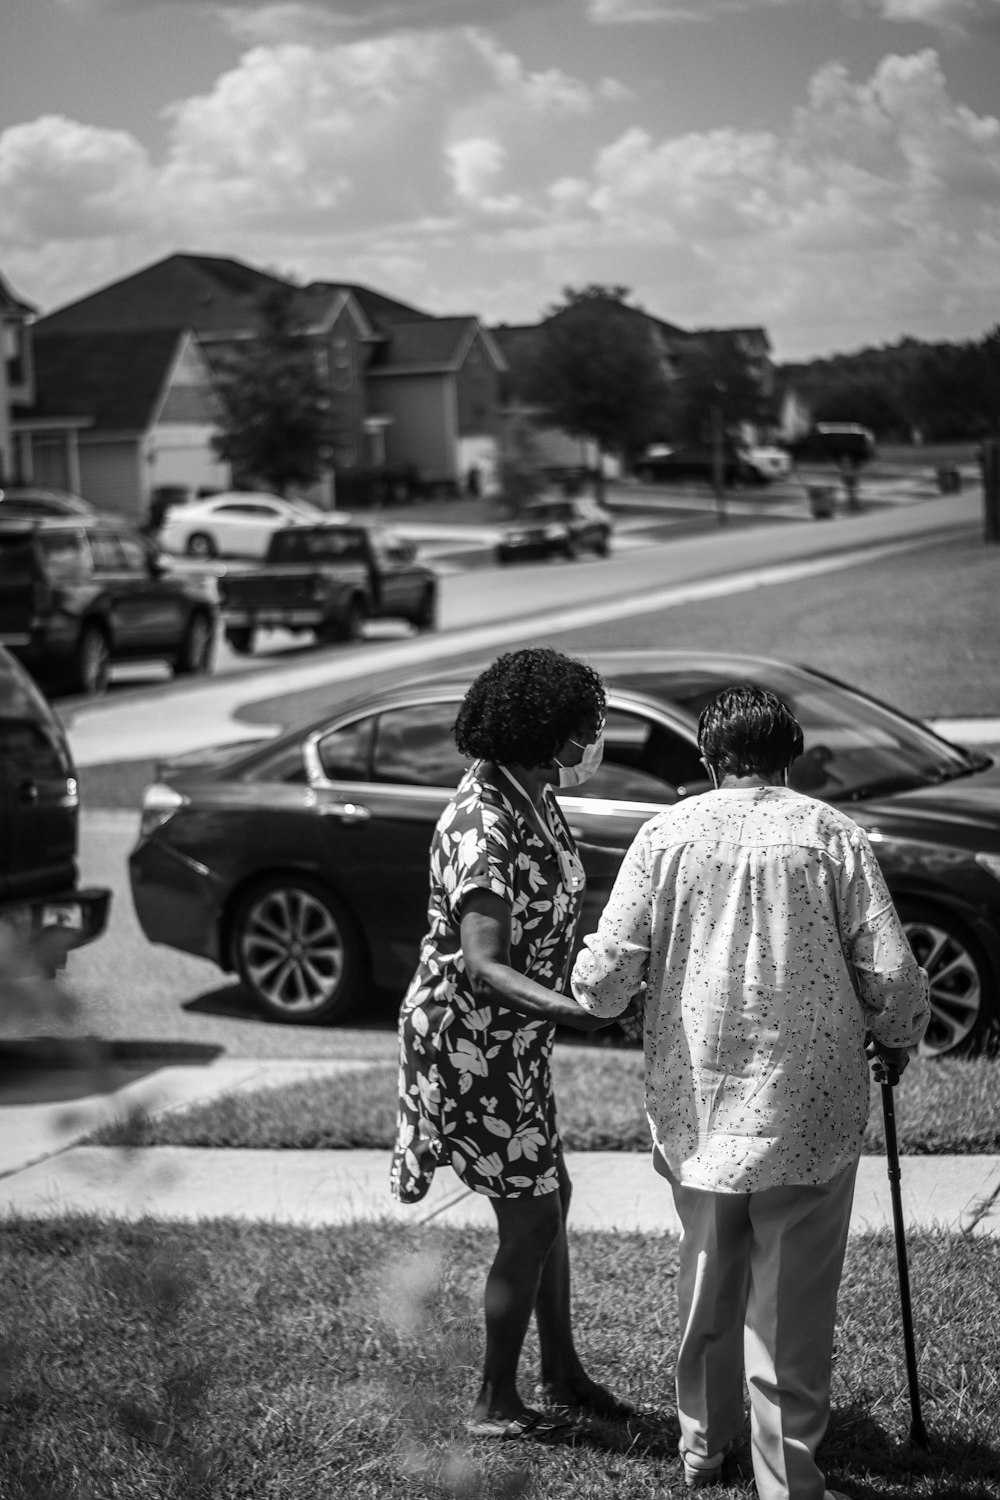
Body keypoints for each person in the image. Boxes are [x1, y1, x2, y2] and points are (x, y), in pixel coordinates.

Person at [571, 684, 929, 1499]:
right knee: (789, 1308)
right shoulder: (831, 835)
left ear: (706, 756)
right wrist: (898, 1036)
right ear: (790, 755)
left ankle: (704, 1447)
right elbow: (894, 978)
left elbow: (605, 977)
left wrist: (589, 981)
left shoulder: (665, 835)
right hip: (809, 1104)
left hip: (700, 1105)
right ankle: (785, 1477)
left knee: (707, 1281)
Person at [390, 646, 633, 1441]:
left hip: (512, 1041)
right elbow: (486, 964)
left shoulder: (533, 791)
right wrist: (579, 1011)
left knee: (549, 1202)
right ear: (542, 732)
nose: (591, 742)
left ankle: (561, 1373)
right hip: (469, 1042)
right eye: (582, 729)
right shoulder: (482, 822)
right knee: (530, 1221)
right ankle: (494, 1401)